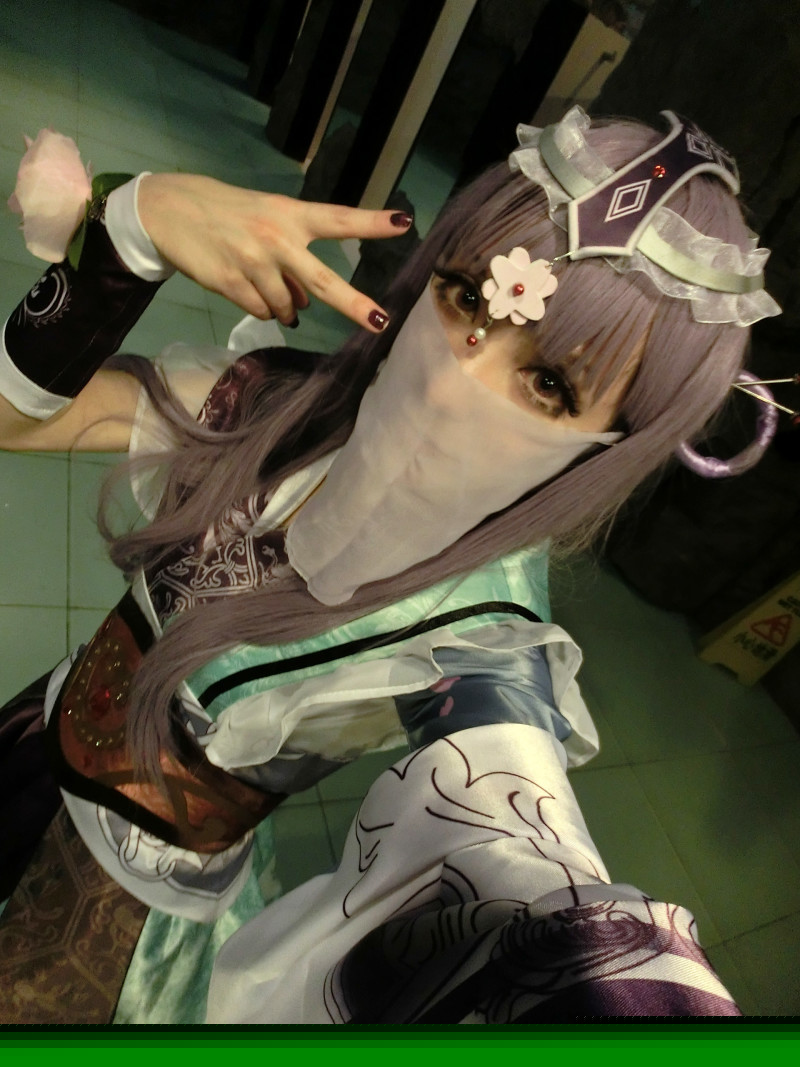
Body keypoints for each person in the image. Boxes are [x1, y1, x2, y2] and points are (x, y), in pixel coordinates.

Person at [0, 107, 780, 1024]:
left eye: (549, 384)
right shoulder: (279, 404)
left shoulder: (484, 636)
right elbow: (16, 420)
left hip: (118, 912)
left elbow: (523, 856)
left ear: (609, 443)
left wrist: (603, 977)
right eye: (467, 299)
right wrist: (130, 231)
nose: (455, 378)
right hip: (32, 736)